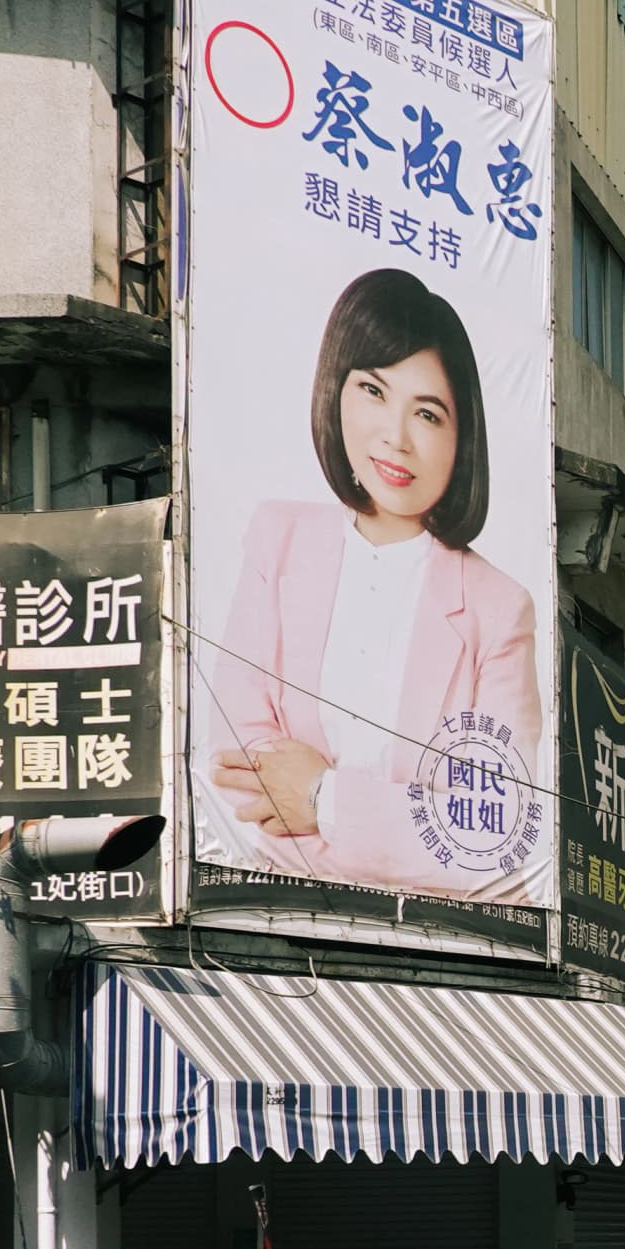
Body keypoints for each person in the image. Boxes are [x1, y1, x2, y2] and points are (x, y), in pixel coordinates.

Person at [207, 268, 548, 899]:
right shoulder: (277, 538)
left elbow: (493, 833)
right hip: (269, 920)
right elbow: (231, 767)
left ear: (462, 437)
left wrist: (321, 796)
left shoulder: (499, 610)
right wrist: (398, 826)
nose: (395, 436)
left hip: (443, 947)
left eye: (427, 412)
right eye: (372, 390)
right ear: (335, 391)